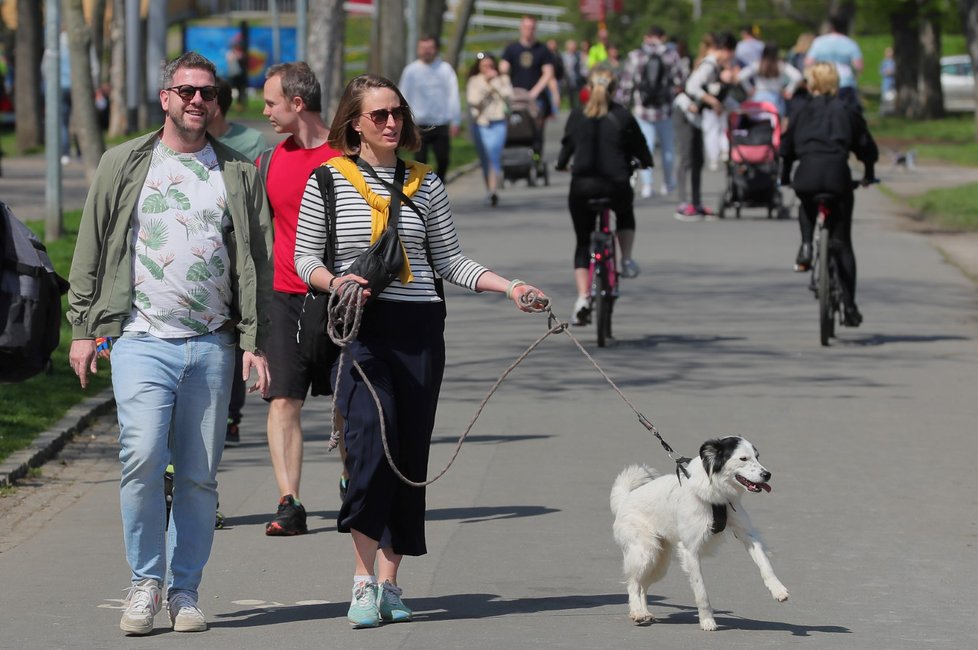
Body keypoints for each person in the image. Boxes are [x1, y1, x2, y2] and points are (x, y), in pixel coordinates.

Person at [293, 73, 549, 629]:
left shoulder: (424, 184)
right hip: (361, 328)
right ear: (354, 122)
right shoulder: (328, 181)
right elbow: (303, 259)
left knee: (409, 456)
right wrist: (336, 282)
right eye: (380, 114)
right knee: (366, 446)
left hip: (420, 328)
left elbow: (449, 261)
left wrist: (511, 288)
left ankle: (389, 581)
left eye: (398, 114)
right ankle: (361, 582)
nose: (392, 123)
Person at [66, 51, 272, 636]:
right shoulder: (123, 162)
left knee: (200, 475)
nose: (196, 101)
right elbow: (90, 246)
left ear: (216, 101)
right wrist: (84, 330)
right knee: (141, 458)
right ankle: (144, 582)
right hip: (139, 338)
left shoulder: (236, 171)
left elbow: (255, 261)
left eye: (206, 93)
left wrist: (255, 340)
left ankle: (184, 590)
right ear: (166, 98)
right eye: (186, 91)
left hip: (211, 343)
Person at [259, 61, 343, 536]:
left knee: (349, 403)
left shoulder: (348, 156)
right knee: (283, 400)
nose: (265, 112)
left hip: (342, 301)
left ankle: (354, 484)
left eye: (271, 103)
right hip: (286, 298)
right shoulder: (270, 162)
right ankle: (289, 501)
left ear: (297, 103)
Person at [780, 62, 878, 326]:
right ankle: (850, 306)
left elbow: (786, 147)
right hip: (837, 176)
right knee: (842, 242)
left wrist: (784, 176)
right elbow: (866, 146)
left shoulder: (800, 110)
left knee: (806, 204)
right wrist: (868, 172)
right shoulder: (848, 110)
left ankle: (806, 245)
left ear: (811, 84)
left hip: (807, 175)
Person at [556, 67, 653, 325]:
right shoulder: (622, 116)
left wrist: (562, 164)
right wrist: (644, 162)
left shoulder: (578, 115)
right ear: (614, 89)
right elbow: (642, 150)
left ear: (589, 87)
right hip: (616, 185)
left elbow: (565, 151)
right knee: (624, 212)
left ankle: (582, 298)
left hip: (582, 188)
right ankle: (627, 259)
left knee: (583, 241)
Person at [206, 76, 269, 446]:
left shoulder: (250, 144)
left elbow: (259, 204)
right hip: (206, 256)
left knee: (233, 334)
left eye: (207, 95)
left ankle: (231, 412)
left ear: (219, 103)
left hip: (238, 256)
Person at [673, 31, 737, 220]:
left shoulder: (716, 66)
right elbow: (692, 86)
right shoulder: (709, 65)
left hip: (696, 116)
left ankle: (696, 202)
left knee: (698, 160)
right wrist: (713, 102)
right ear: (725, 50)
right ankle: (684, 204)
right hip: (685, 112)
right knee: (686, 158)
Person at [618, 25, 684, 199]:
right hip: (665, 109)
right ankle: (668, 182)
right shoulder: (672, 55)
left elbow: (626, 85)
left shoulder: (635, 56)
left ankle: (648, 185)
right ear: (662, 37)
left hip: (642, 109)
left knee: (645, 147)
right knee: (668, 149)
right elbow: (680, 80)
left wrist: (621, 107)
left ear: (647, 36)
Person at [398, 36, 461, 181]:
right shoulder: (411, 71)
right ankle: (423, 190)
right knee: (420, 160)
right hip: (418, 124)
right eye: (423, 48)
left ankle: (439, 186)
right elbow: (403, 96)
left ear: (436, 49)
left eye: (430, 48)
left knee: (443, 159)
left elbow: (453, 95)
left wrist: (455, 121)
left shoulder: (445, 69)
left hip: (440, 123)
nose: (427, 51)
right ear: (418, 50)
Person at [466, 52, 513, 207]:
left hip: (498, 121)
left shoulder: (502, 79)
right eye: (484, 66)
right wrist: (486, 84)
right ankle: (490, 189)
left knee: (494, 154)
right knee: (485, 158)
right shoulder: (474, 81)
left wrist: (495, 82)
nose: (487, 69)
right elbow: (473, 100)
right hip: (481, 123)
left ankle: (493, 189)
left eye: (490, 65)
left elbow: (508, 95)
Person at [500, 15, 557, 122]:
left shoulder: (542, 49)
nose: (529, 31)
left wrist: (534, 93)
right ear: (520, 28)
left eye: (531, 28)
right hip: (516, 97)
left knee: (537, 134)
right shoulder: (511, 49)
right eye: (526, 27)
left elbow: (548, 73)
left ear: (535, 29)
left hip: (537, 98)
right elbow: (503, 69)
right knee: (517, 130)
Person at [805, 15, 863, 109]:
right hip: (845, 82)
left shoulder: (819, 41)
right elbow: (859, 66)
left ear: (832, 27)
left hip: (822, 82)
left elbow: (808, 62)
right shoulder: (850, 43)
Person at [736, 42, 803, 116]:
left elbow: (741, 76)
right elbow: (798, 77)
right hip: (775, 98)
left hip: (758, 98)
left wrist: (749, 88)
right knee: (775, 123)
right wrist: (789, 90)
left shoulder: (758, 64)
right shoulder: (781, 64)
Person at [561, 39, 585, 110]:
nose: (573, 48)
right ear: (567, 47)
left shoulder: (579, 54)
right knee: (571, 95)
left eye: (574, 46)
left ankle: (580, 108)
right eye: (572, 46)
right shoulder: (563, 56)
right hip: (568, 79)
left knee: (580, 95)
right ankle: (572, 109)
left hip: (579, 79)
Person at [226, 40, 249, 110]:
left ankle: (239, 105)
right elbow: (230, 59)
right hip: (232, 75)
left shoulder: (242, 54)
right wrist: (236, 55)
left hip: (239, 75)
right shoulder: (230, 53)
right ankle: (228, 104)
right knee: (229, 90)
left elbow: (243, 60)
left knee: (240, 90)